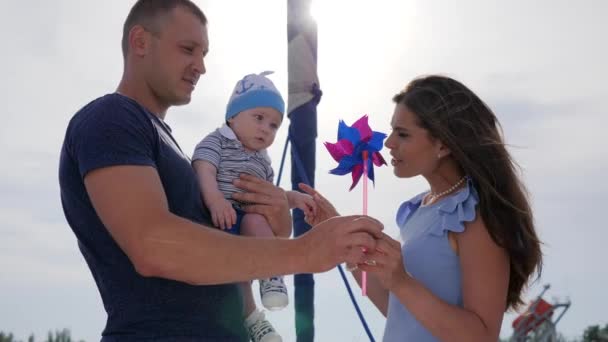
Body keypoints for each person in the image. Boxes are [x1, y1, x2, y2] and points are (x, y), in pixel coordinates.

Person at [58, 1, 382, 341]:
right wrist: (304, 252)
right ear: (140, 42)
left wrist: (277, 216)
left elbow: (230, 243)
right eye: (188, 49)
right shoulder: (111, 117)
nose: (201, 66)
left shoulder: (176, 151)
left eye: (205, 54)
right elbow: (153, 245)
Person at [301, 75, 543, 341]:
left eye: (403, 134)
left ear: (443, 144)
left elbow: (482, 336)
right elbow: (399, 311)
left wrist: (402, 282)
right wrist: (345, 239)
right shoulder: (418, 209)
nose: (389, 142)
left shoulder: (474, 215)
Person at [192, 71, 315, 342]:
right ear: (233, 116)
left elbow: (271, 196)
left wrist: (293, 199)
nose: (265, 129)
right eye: (259, 118)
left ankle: (270, 274)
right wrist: (215, 200)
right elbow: (203, 169)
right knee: (237, 280)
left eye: (273, 125)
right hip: (218, 221)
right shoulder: (219, 140)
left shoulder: (263, 161)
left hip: (246, 222)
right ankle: (253, 320)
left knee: (256, 222)